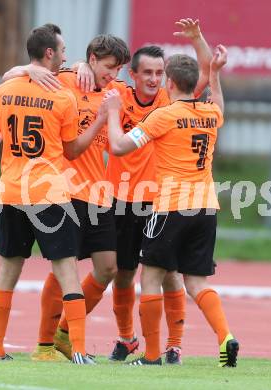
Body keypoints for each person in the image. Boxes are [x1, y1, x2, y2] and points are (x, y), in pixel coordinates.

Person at [74, 18, 211, 364]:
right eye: (146, 72)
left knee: (168, 275)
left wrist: (197, 39)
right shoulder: (116, 94)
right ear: (131, 75)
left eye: (158, 72)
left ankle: (174, 345)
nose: (153, 79)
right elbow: (85, 76)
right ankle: (125, 339)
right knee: (122, 274)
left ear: (166, 76)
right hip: (119, 200)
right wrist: (79, 66)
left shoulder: (171, 99)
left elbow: (206, 71)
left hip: (160, 202)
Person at [103, 44, 239, 366]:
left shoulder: (163, 116)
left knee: (150, 278)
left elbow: (120, 147)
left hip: (169, 208)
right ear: (195, 84)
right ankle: (225, 336)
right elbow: (218, 103)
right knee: (195, 282)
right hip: (205, 209)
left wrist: (111, 114)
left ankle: (150, 356)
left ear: (171, 84)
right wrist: (216, 74)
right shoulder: (209, 114)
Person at [3, 34, 131, 361]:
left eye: (118, 69)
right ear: (90, 59)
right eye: (108, 66)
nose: (113, 73)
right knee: (63, 270)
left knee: (107, 268)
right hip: (65, 190)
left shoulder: (116, 94)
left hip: (97, 193)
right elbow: (10, 77)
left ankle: (63, 334)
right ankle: (45, 344)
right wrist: (27, 70)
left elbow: (157, 99)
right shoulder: (64, 81)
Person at [0, 23, 95, 364]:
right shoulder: (63, 96)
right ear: (49, 53)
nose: (64, 54)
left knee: (8, 271)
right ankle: (80, 351)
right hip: (49, 194)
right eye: (61, 49)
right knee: (67, 271)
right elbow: (72, 151)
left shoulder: (3, 91)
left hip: (13, 191)